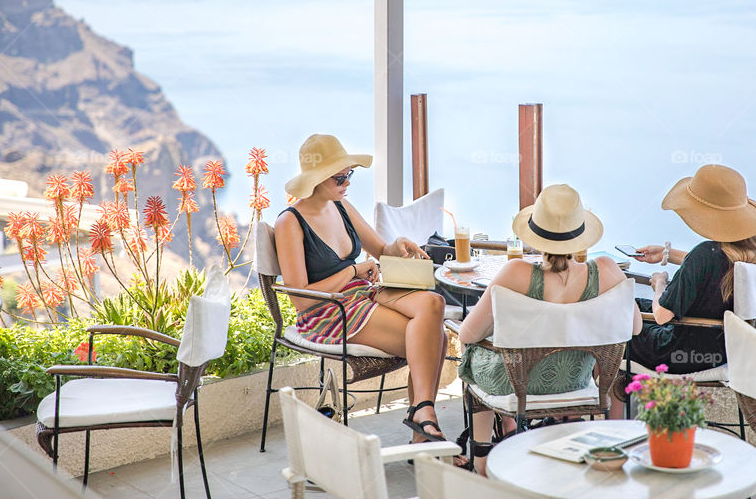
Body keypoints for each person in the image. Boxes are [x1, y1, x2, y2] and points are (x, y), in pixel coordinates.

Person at [274, 134, 450, 444]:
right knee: (436, 337)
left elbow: (381, 250)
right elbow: (301, 298)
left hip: (360, 294)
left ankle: (422, 417)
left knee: (433, 305)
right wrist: (353, 270)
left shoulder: (341, 206)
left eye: (349, 174)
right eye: (339, 176)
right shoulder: (290, 223)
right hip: (327, 311)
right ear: (315, 179)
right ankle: (424, 430)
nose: (347, 182)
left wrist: (397, 245)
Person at [456, 184, 642, 475]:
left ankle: (482, 458)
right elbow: (634, 327)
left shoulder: (515, 273)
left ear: (536, 235)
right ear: (580, 234)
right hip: (576, 382)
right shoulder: (607, 270)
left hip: (515, 386)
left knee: (474, 354)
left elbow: (468, 334)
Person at [624, 164, 756, 382]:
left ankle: (606, 407)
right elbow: (714, 265)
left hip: (679, 354)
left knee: (615, 322)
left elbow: (662, 316)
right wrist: (666, 253)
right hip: (721, 349)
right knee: (632, 305)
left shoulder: (705, 253)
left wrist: (659, 283)